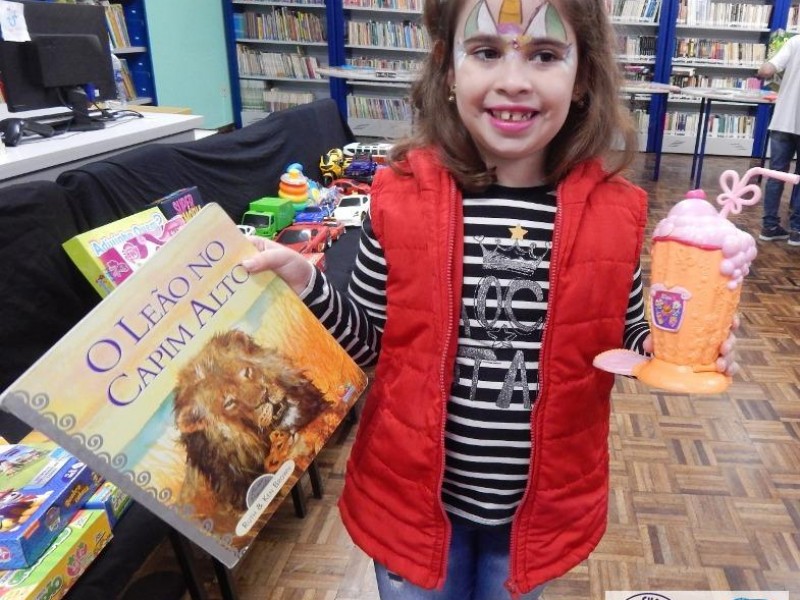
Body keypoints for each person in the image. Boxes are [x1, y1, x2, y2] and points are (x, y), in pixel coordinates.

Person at [243, 0, 737, 597]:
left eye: (545, 55)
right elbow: (370, 345)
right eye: (485, 51)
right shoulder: (400, 199)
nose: (514, 80)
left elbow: (627, 333)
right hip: (413, 509)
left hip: (536, 517)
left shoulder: (613, 214)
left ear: (582, 77)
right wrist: (306, 282)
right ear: (448, 69)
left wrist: (680, 348)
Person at [757, 34, 800, 245]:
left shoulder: (795, 41)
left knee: (776, 174)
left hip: (783, 120)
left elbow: (766, 71)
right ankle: (797, 231)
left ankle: (770, 226)